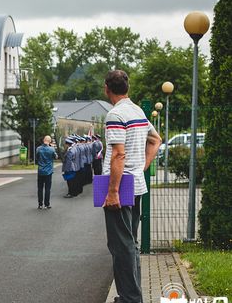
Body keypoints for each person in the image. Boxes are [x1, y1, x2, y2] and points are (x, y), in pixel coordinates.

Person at [102, 70, 161, 303]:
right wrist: (142, 167)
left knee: (121, 244)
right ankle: (131, 295)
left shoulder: (115, 115)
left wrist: (113, 191)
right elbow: (156, 140)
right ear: (127, 88)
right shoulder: (138, 111)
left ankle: (130, 298)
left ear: (107, 88)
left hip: (120, 184)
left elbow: (118, 154)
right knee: (129, 242)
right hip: (135, 182)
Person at [36, 135, 58, 209]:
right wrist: (52, 147)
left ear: (43, 140)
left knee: (40, 188)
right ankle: (47, 204)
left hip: (40, 170)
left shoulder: (38, 149)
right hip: (48, 171)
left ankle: (40, 204)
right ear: (50, 141)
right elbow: (56, 157)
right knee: (47, 188)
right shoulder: (52, 149)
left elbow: (37, 157)